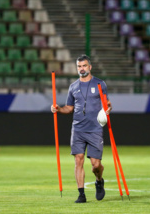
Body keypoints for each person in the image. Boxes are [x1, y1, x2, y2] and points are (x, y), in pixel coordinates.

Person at [51, 55, 112, 203]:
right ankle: (81, 194)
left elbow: (107, 102)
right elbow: (69, 108)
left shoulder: (99, 84)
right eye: (79, 66)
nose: (81, 69)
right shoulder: (73, 87)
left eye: (84, 66)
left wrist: (108, 108)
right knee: (78, 161)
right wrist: (58, 109)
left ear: (90, 67)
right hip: (78, 129)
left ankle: (99, 180)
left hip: (95, 129)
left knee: (96, 165)